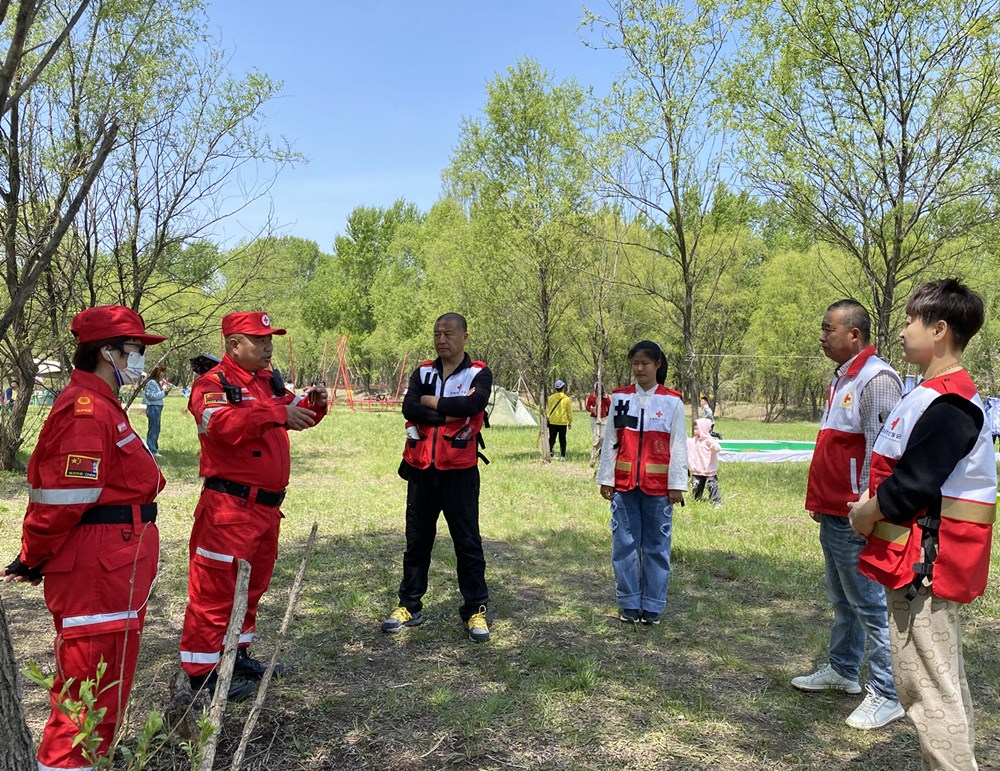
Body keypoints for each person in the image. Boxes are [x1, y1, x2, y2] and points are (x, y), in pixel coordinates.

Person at [2, 305, 167, 770]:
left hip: (112, 568)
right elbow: (61, 501)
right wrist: (32, 557)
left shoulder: (102, 406)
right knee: (86, 699)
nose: (139, 359)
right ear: (106, 352)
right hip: (97, 573)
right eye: (134, 349)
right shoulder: (86, 411)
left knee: (103, 694)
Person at [849, 279, 996, 770]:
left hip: (925, 570)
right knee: (938, 681)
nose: (903, 330)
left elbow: (912, 486)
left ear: (939, 330)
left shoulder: (951, 404)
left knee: (929, 688)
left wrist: (864, 513)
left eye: (912, 320)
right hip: (914, 565)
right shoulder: (928, 395)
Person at [179, 311, 328, 700]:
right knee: (215, 590)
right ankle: (201, 675)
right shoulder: (211, 384)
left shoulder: (267, 382)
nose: (268, 347)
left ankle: (237, 652)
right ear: (234, 345)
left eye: (270, 339)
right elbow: (222, 424)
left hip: (266, 509)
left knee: (252, 587)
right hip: (229, 507)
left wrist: (316, 403)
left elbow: (300, 414)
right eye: (259, 340)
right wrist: (276, 412)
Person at [795, 299, 904, 730]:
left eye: (828, 329)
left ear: (853, 334)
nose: (821, 336)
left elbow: (883, 453)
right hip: (833, 510)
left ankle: (888, 690)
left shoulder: (877, 379)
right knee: (842, 599)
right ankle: (843, 670)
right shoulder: (844, 377)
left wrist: (868, 510)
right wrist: (822, 502)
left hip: (857, 514)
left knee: (870, 605)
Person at [381, 312, 493, 642]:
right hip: (421, 470)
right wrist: (448, 411)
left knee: (468, 542)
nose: (441, 339)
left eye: (448, 333)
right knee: (416, 541)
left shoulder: (479, 372)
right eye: (436, 334)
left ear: (464, 337)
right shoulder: (423, 370)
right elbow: (409, 409)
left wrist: (433, 405)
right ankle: (409, 605)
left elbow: (475, 404)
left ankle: (476, 609)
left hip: (459, 472)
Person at [596, 341, 687, 625]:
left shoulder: (672, 401)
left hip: (659, 490)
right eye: (635, 363)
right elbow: (611, 440)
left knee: (657, 547)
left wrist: (677, 484)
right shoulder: (620, 398)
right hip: (624, 487)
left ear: (658, 365)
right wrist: (606, 478)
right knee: (624, 545)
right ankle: (628, 603)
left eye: (645, 363)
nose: (639, 368)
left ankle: (653, 605)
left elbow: (679, 445)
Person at [688, 418, 722, 508]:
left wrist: (711, 445)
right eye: (694, 429)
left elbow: (717, 449)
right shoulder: (693, 441)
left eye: (697, 429)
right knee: (696, 484)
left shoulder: (709, 440)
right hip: (697, 469)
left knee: (712, 485)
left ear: (704, 429)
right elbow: (687, 444)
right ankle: (696, 498)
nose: (695, 431)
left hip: (709, 469)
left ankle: (716, 501)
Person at [142, 364, 171, 456]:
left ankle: (154, 447)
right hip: (153, 407)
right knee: (153, 429)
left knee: (156, 428)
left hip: (157, 407)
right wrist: (163, 393)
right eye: (162, 373)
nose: (163, 375)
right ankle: (152, 449)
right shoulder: (151, 383)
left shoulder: (156, 383)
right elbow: (151, 396)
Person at [546, 379, 572, 461]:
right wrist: (570, 422)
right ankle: (563, 456)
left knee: (552, 439)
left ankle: (549, 453)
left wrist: (548, 419)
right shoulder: (566, 399)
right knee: (562, 439)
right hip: (562, 423)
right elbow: (569, 412)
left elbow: (549, 410)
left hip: (552, 422)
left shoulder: (550, 398)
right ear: (563, 388)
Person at [586, 383, 611, 455]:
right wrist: (591, 409)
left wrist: (605, 398)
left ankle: (602, 449)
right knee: (596, 435)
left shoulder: (605, 396)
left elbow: (610, 405)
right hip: (594, 418)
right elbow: (587, 407)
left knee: (603, 436)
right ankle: (596, 451)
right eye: (597, 388)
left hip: (603, 418)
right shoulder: (591, 397)